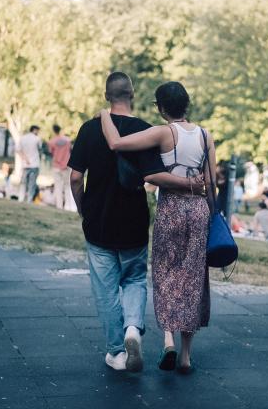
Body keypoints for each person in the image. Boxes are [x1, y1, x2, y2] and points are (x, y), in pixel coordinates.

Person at [69, 72, 203, 373]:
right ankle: (133, 327)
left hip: (98, 223)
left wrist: (83, 209)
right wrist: (196, 184)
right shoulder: (146, 131)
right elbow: (153, 178)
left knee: (105, 288)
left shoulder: (90, 129)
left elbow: (76, 178)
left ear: (107, 96)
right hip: (133, 222)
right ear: (132, 94)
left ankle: (116, 352)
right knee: (134, 279)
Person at [98, 79, 216, 375]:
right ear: (186, 104)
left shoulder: (163, 132)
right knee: (192, 279)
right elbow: (211, 183)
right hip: (198, 211)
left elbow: (117, 144)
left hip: (172, 209)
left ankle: (168, 341)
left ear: (161, 108)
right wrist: (210, 215)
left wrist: (104, 115)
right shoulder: (205, 135)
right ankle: (187, 355)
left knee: (165, 274)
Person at [48, 124, 72, 210]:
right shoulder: (67, 140)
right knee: (67, 186)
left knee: (58, 186)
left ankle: (59, 205)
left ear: (53, 130)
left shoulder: (51, 141)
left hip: (56, 166)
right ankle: (68, 205)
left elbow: (51, 153)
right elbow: (70, 150)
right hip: (66, 165)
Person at [17, 125, 42, 203]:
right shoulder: (37, 139)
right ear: (34, 130)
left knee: (23, 183)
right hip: (34, 164)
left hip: (25, 164)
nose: (38, 132)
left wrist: (25, 159)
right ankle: (29, 200)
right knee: (32, 183)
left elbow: (18, 150)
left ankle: (21, 198)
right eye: (38, 131)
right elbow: (40, 149)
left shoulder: (22, 138)